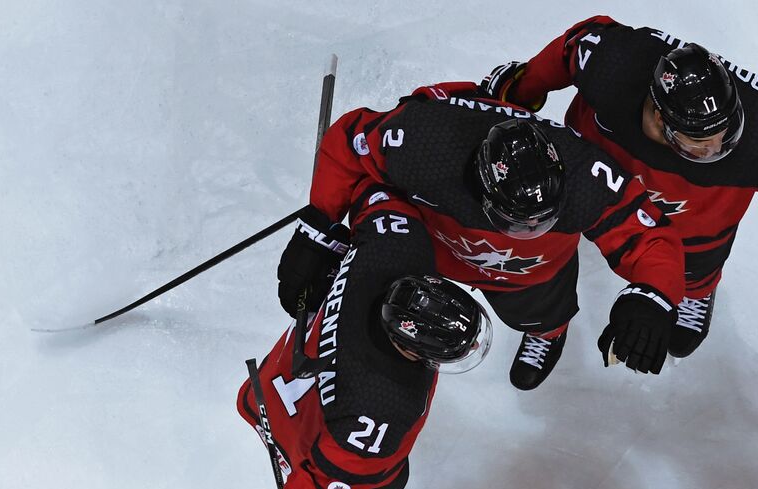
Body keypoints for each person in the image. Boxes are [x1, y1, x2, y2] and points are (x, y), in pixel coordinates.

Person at [481, 16, 758, 360]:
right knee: (536, 239)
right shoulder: (611, 63)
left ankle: (696, 292)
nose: (717, 148)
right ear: (660, 119)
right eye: (701, 142)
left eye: (724, 135)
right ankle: (546, 323)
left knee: (695, 264)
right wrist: (520, 91)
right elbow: (571, 49)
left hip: (697, 222)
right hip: (586, 182)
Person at [277, 80, 685, 391]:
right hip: (437, 247)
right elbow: (348, 142)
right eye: (516, 222)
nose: (526, 232)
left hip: (531, 273)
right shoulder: (422, 145)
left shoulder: (588, 175)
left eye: (538, 222)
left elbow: (651, 237)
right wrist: (317, 228)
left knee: (539, 313)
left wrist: (652, 296)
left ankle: (547, 332)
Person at [240, 197, 491, 489]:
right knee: (378, 480)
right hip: (306, 426)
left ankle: (322, 473)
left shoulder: (394, 247)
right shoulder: (379, 415)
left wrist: (319, 232)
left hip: (282, 378)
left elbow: (371, 178)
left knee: (338, 468)